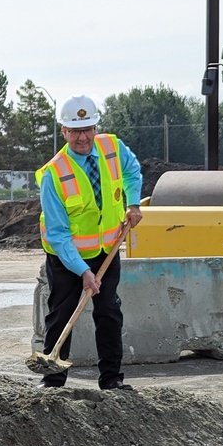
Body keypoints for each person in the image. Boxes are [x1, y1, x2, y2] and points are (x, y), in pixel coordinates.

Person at [36, 95, 143, 390]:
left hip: (107, 251)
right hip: (66, 259)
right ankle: (53, 380)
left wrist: (132, 204)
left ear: (95, 126)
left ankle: (111, 379)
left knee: (109, 312)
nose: (83, 137)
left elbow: (133, 171)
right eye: (75, 131)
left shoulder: (112, 147)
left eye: (88, 129)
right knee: (61, 314)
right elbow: (57, 234)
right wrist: (83, 271)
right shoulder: (53, 174)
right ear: (64, 131)